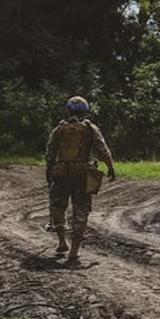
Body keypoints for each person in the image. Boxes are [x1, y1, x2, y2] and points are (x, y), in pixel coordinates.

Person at [45, 96, 116, 264]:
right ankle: (74, 251)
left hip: (62, 173)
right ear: (85, 112)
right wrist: (111, 168)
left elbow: (50, 152)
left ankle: (62, 241)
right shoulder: (91, 129)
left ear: (68, 110)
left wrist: (50, 170)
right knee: (81, 211)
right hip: (82, 174)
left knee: (57, 206)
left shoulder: (59, 129)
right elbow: (103, 150)